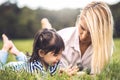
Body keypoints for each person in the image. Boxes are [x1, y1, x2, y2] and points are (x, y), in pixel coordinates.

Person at [57, 1, 114, 75]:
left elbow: (97, 75)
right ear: (79, 19)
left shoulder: (106, 48)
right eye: (82, 28)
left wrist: (78, 75)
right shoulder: (61, 39)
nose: (84, 37)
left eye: (91, 33)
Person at [0, 28, 65, 76]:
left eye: (60, 54)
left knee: (28, 59)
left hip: (28, 63)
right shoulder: (36, 69)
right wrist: (59, 74)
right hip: (14, 67)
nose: (59, 58)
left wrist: (62, 72)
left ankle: (15, 51)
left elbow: (55, 71)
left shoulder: (52, 62)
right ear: (41, 53)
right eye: (55, 54)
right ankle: (5, 48)